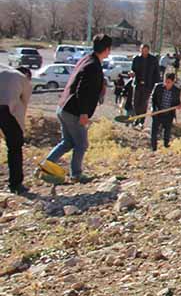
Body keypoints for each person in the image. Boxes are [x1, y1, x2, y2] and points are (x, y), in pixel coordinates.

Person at [44, 35, 112, 183]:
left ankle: (45, 166)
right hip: (74, 111)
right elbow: (82, 91)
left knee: (68, 142)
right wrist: (83, 113)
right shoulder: (93, 66)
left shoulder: (86, 59)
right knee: (81, 144)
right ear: (107, 49)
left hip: (64, 107)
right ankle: (76, 174)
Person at [0, 66, 32, 194]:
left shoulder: (3, 71)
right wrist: (20, 131)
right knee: (14, 147)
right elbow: (23, 105)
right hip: (5, 111)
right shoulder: (23, 78)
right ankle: (15, 184)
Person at [149, 72, 181, 151]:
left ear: (173, 82)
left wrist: (179, 105)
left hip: (168, 114)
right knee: (154, 131)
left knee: (167, 131)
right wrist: (153, 109)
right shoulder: (158, 87)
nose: (166, 84)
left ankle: (166, 146)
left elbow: (177, 102)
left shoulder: (176, 90)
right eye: (165, 81)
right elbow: (152, 99)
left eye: (168, 82)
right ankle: (153, 148)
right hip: (157, 112)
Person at [131, 44, 159, 129]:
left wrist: (156, 84)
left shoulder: (153, 60)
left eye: (146, 50)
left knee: (144, 103)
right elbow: (133, 69)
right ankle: (136, 117)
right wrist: (132, 73)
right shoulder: (136, 59)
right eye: (143, 50)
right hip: (138, 83)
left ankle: (141, 121)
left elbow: (156, 72)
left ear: (148, 50)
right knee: (136, 102)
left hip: (148, 84)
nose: (145, 51)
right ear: (140, 50)